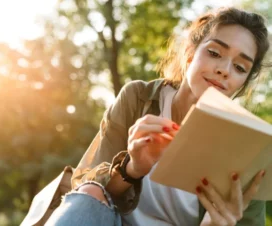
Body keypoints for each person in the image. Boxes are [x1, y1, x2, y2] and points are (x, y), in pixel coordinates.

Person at [46, 7, 270, 226]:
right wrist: (132, 169)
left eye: (240, 67)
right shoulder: (138, 98)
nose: (225, 70)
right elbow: (85, 189)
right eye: (214, 53)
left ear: (244, 82)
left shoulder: (246, 146)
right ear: (190, 53)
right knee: (91, 191)